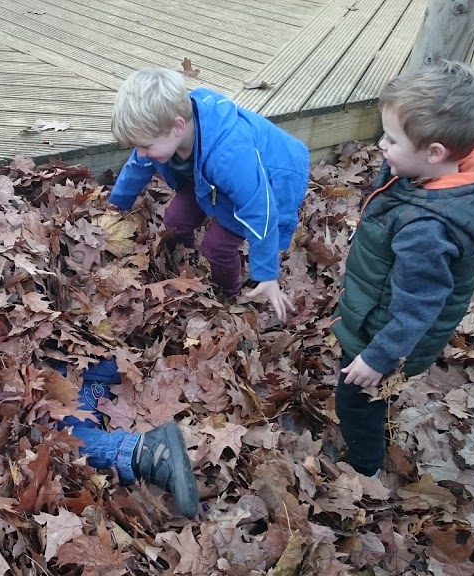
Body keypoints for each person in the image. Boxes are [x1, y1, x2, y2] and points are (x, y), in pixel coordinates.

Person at [331, 61, 474, 476]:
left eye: (391, 139)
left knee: (354, 397)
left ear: (434, 153)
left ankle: (363, 469)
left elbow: (417, 307)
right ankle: (376, 412)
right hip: (380, 310)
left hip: (385, 333)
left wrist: (377, 358)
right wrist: (399, 159)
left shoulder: (426, 229)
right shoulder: (435, 178)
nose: (381, 146)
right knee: (371, 396)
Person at [107, 68, 311, 322]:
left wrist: (267, 273)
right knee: (175, 221)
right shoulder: (163, 134)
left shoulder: (230, 156)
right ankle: (183, 267)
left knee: (217, 247)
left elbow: (261, 209)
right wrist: (117, 204)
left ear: (178, 127)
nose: (142, 152)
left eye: (146, 146)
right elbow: (138, 164)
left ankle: (229, 296)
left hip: (272, 174)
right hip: (206, 178)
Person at [56, 359, 199, 518]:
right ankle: (143, 453)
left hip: (81, 378)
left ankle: (145, 451)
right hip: (83, 407)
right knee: (61, 438)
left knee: (60, 438)